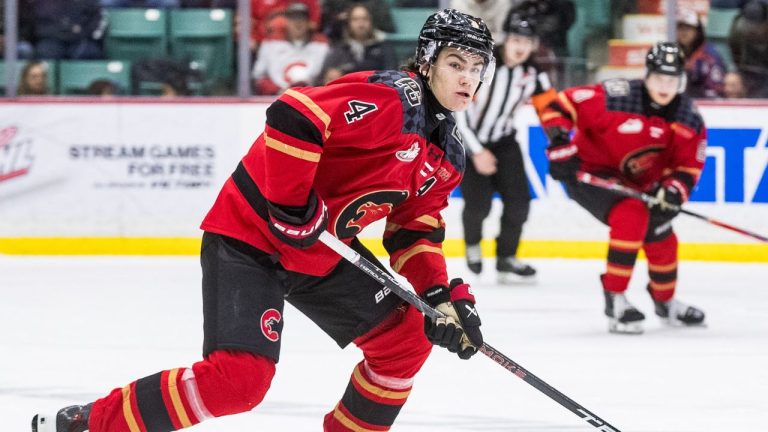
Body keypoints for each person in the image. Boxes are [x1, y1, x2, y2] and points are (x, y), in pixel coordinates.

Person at [32, 8, 495, 432]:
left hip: (318, 250)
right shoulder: (395, 98)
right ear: (428, 60)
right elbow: (293, 114)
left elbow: (413, 229)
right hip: (251, 236)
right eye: (456, 63)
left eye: (477, 69)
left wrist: (439, 295)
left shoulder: (448, 152)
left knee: (406, 339)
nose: (468, 79)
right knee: (238, 382)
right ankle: (88, 425)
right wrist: (290, 207)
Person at [541, 42, 707, 334]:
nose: (665, 86)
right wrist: (559, 143)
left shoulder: (688, 118)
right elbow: (559, 105)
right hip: (589, 174)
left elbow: (688, 168)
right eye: (659, 78)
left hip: (642, 185)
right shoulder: (617, 97)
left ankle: (665, 301)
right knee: (631, 216)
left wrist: (671, 192)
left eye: (672, 79)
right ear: (647, 75)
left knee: (662, 236)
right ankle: (615, 298)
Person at [456, 11, 555, 284]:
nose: (521, 47)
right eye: (516, 40)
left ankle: (506, 258)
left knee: (519, 203)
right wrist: (476, 150)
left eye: (527, 41)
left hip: (504, 141)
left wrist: (561, 139)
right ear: (505, 40)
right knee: (478, 205)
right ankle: (473, 245)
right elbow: (458, 110)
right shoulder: (482, 65)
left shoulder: (533, 73)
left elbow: (552, 110)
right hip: (469, 140)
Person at [251, 2, 329, 95]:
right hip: (278, 98)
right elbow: (258, 77)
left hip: (312, 98)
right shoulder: (270, 44)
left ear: (309, 22)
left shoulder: (321, 45)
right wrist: (276, 90)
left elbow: (326, 76)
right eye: (293, 19)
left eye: (302, 19)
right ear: (286, 21)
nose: (298, 23)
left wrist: (314, 90)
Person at [320, 3, 396, 84]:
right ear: (348, 23)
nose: (360, 23)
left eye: (365, 19)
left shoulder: (383, 47)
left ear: (371, 22)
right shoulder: (339, 49)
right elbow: (322, 79)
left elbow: (392, 75)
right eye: (355, 19)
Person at [29, 0, 107, 60]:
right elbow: (40, 25)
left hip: (81, 39)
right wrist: (67, 29)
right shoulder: (46, 3)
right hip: (53, 39)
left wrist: (80, 32)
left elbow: (96, 22)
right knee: (46, 51)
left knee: (89, 52)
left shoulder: (89, 2)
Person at [676, 9, 727, 98]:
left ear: (698, 31)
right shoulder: (672, 53)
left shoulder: (710, 55)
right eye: (680, 28)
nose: (683, 32)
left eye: (688, 28)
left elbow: (715, 90)